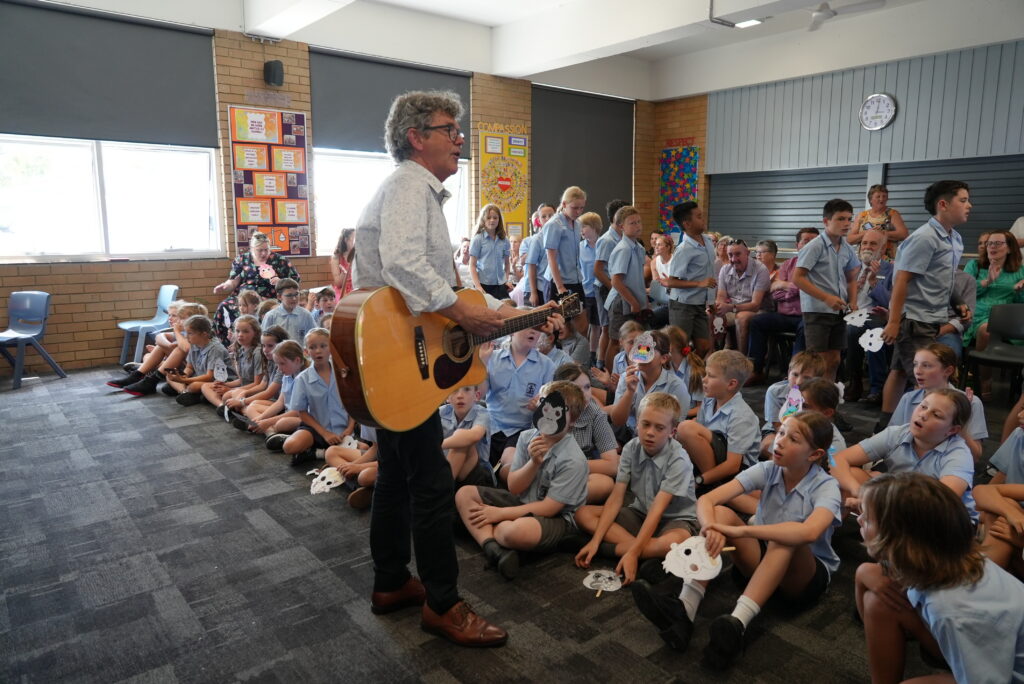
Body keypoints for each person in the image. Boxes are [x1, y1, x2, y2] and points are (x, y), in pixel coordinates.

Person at [353, 90, 553, 646]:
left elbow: (442, 285)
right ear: (417, 137)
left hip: (398, 355)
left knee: (395, 476)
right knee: (432, 483)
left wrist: (508, 312)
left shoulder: (414, 191)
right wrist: (465, 312)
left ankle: (391, 581)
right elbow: (403, 264)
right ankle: (443, 604)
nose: (459, 140)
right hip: (401, 357)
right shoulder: (408, 186)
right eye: (450, 130)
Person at [636, 411, 840, 660]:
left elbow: (809, 532)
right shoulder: (768, 469)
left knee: (786, 537)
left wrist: (742, 530)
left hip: (803, 580)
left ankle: (737, 625)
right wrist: (711, 527)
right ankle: (684, 611)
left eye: (793, 439)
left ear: (815, 455)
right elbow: (708, 499)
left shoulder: (826, 486)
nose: (779, 442)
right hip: (764, 560)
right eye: (781, 432)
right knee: (720, 515)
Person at [854, 472, 1024, 684]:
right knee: (877, 601)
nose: (859, 519)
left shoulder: (950, 610)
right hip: (987, 646)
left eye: (867, 519)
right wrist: (861, 575)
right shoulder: (944, 558)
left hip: (1003, 672)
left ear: (899, 542)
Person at [455, 380, 589, 580]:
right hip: (523, 501)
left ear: (572, 420)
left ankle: (497, 536)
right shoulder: (527, 437)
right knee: (464, 494)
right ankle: (493, 549)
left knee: (510, 532)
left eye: (559, 409)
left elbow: (549, 508)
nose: (548, 412)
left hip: (558, 519)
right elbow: (514, 487)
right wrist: (533, 463)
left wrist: (499, 514)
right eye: (544, 403)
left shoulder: (573, 459)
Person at [576, 391, 698, 590]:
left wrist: (631, 552)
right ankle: (647, 554)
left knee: (673, 542)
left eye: (659, 428)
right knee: (583, 513)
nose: (650, 432)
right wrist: (596, 541)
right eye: (645, 424)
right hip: (640, 513)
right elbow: (616, 497)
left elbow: (658, 509)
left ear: (672, 432)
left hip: (675, 519)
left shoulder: (679, 459)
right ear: (637, 424)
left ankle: (615, 550)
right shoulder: (631, 448)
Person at [879, 180, 971, 432]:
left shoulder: (955, 239)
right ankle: (917, 433)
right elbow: (902, 280)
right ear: (943, 204)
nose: (969, 205)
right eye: (963, 200)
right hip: (914, 320)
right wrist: (894, 322)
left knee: (899, 371)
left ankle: (884, 427)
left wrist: (958, 302)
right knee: (926, 382)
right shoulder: (924, 238)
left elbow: (944, 278)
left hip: (931, 318)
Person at [832, 388, 978, 523]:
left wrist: (875, 501)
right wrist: (857, 491)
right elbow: (837, 459)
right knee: (852, 475)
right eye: (923, 406)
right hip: (899, 503)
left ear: (952, 430)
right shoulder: (896, 433)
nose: (923, 415)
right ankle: (836, 529)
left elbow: (941, 502)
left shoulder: (959, 454)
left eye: (936, 415)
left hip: (943, 520)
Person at [792, 199, 861, 382]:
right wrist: (825, 298)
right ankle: (810, 396)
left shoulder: (847, 249)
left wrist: (853, 302)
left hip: (839, 311)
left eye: (849, 219)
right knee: (817, 362)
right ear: (826, 221)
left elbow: (851, 278)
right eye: (840, 219)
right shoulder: (815, 246)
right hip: (817, 311)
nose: (846, 224)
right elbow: (797, 278)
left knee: (834, 360)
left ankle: (826, 394)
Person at [888, 343, 988, 462]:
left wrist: (960, 420)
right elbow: (890, 441)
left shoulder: (971, 402)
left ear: (948, 371)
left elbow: (975, 456)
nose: (918, 371)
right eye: (915, 364)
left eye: (926, 366)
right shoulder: (908, 398)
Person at [676, 350, 759, 490]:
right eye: (706, 374)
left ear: (731, 384)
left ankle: (713, 486)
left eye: (711, 376)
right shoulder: (709, 401)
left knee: (685, 428)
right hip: (715, 458)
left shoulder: (741, 416)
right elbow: (700, 437)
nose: (704, 379)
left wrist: (701, 480)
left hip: (739, 472)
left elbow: (733, 465)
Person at [746, 227, 819, 385]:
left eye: (814, 241)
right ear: (797, 245)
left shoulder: (821, 266)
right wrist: (799, 289)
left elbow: (815, 292)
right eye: (805, 241)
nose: (810, 244)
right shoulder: (787, 264)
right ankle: (756, 370)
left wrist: (785, 285)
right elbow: (775, 293)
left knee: (805, 327)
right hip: (784, 315)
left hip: (806, 316)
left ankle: (793, 374)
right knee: (757, 321)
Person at [963, 230, 1024, 396]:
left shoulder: (1020, 271)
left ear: (1009, 248)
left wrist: (1020, 291)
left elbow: (1021, 304)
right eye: (990, 243)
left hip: (1010, 320)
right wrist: (987, 282)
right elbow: (964, 293)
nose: (992, 246)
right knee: (987, 330)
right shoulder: (974, 266)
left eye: (998, 243)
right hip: (979, 315)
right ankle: (985, 380)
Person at [282, 328, 354, 466]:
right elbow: (302, 413)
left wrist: (349, 429)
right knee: (289, 446)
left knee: (364, 449)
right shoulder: (302, 379)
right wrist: (325, 433)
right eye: (312, 347)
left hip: (343, 430)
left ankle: (317, 453)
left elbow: (353, 404)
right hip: (317, 429)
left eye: (323, 346)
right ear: (306, 351)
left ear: (331, 348)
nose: (318, 351)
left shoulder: (343, 373)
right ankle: (319, 452)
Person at [212, 231, 300, 344]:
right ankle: (227, 343)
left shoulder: (280, 260)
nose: (264, 253)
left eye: (266, 250)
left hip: (268, 298)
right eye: (260, 250)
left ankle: (263, 342)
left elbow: (294, 281)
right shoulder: (242, 259)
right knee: (224, 306)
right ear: (252, 248)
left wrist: (280, 281)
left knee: (265, 309)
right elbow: (233, 281)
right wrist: (225, 286)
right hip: (244, 297)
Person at [552, 363, 619, 502]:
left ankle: (552, 501)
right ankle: (556, 501)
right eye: (576, 389)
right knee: (511, 468)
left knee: (605, 483)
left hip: (580, 471)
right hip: (549, 469)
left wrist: (569, 465)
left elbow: (612, 465)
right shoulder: (548, 410)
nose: (584, 394)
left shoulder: (596, 414)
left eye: (587, 387)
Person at [609, 329, 691, 438]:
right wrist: (629, 392)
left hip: (660, 440)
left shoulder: (676, 386)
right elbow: (617, 421)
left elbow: (676, 428)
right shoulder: (626, 378)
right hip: (629, 434)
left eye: (648, 350)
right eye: (639, 348)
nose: (642, 355)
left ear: (664, 358)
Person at [842, 228, 893, 403]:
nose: (867, 247)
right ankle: (853, 381)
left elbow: (891, 302)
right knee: (849, 329)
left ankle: (874, 387)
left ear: (883, 248)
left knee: (873, 332)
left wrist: (873, 283)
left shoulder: (891, 270)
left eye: (873, 244)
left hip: (877, 315)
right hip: (851, 314)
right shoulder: (851, 269)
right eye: (864, 243)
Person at [974, 401, 1024, 576]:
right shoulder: (1020, 435)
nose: (1019, 415)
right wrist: (1013, 515)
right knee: (1000, 512)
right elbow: (982, 491)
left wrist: (1020, 540)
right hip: (1014, 519)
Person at [663, 201, 716, 358]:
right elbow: (671, 282)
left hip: (699, 304)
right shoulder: (684, 249)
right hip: (682, 305)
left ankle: (690, 369)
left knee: (704, 346)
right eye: (699, 216)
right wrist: (699, 284)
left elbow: (709, 273)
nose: (703, 219)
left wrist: (711, 301)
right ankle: (677, 370)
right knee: (681, 347)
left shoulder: (707, 241)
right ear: (687, 224)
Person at [759, 351, 828, 460]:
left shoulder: (819, 397)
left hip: (808, 431)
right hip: (778, 429)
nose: (798, 381)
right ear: (788, 372)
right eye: (795, 375)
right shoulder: (774, 392)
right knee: (769, 447)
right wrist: (791, 440)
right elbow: (777, 425)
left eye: (807, 378)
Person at [543, 187, 588, 334]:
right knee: (557, 328)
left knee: (582, 325)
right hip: (558, 281)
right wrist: (560, 287)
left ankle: (577, 350)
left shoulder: (578, 223)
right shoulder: (554, 225)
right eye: (575, 208)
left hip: (575, 279)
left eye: (581, 208)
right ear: (564, 204)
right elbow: (551, 258)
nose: (578, 211)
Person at [604, 206, 650, 349]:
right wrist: (633, 302)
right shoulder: (623, 249)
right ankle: (610, 365)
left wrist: (644, 300)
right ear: (621, 226)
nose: (637, 226)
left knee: (638, 340)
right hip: (621, 300)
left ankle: (635, 364)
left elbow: (638, 279)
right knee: (617, 342)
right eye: (632, 223)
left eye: (639, 222)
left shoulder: (639, 248)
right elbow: (616, 281)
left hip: (634, 299)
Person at [715, 239, 770, 356]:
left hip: (758, 310)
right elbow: (721, 296)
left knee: (742, 318)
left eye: (738, 254)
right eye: (730, 255)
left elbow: (755, 305)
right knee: (709, 314)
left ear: (747, 253)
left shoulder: (760, 270)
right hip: (733, 308)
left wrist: (729, 308)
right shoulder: (725, 269)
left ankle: (742, 358)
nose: (734, 259)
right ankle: (712, 354)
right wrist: (718, 308)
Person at [595, 199, 631, 370]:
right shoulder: (608, 240)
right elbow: (598, 270)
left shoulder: (624, 239)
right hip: (607, 288)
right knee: (609, 330)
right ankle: (602, 364)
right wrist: (613, 289)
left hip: (616, 288)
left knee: (614, 330)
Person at [162, 315, 229, 407]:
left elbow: (209, 377)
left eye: (190, 333)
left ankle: (191, 392)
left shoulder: (216, 349)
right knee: (169, 377)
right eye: (186, 333)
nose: (186, 337)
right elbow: (189, 367)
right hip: (200, 377)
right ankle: (184, 392)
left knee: (194, 386)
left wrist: (184, 380)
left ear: (204, 334)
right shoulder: (194, 344)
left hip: (217, 381)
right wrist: (183, 375)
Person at [438, 385, 494, 488]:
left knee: (463, 439)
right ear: (447, 397)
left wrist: (437, 446)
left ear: (477, 396)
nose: (460, 395)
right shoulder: (441, 412)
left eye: (467, 389)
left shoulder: (482, 413)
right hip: (446, 469)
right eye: (454, 390)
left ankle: (441, 491)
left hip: (479, 475)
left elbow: (475, 435)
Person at [846, 184, 910, 259]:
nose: (881, 199)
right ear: (871, 199)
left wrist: (883, 233)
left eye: (884, 196)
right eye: (878, 196)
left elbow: (904, 234)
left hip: (887, 259)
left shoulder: (892, 214)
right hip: (864, 259)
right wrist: (867, 233)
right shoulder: (862, 216)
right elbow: (849, 239)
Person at [468, 204, 511, 300]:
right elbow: (472, 265)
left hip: (500, 285)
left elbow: (507, 263)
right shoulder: (478, 239)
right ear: (483, 219)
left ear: (499, 220)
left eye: (495, 218)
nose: (492, 220)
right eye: (488, 217)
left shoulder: (504, 240)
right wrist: (478, 286)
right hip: (483, 285)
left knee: (506, 308)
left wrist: (506, 280)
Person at [261, 278, 317, 345]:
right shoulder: (271, 316)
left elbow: (314, 336)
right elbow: (264, 340)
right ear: (279, 296)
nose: (294, 298)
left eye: (296, 294)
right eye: (289, 295)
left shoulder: (305, 314)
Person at [578, 212, 602, 366]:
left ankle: (593, 356)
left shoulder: (603, 245)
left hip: (599, 291)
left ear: (594, 227)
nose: (581, 230)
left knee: (597, 325)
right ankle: (582, 354)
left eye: (584, 226)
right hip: (584, 291)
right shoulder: (579, 247)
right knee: (583, 326)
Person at [330, 228, 356, 301]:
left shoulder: (359, 256)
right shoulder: (336, 258)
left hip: (357, 287)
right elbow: (338, 283)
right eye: (354, 239)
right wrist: (344, 273)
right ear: (346, 240)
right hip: (343, 289)